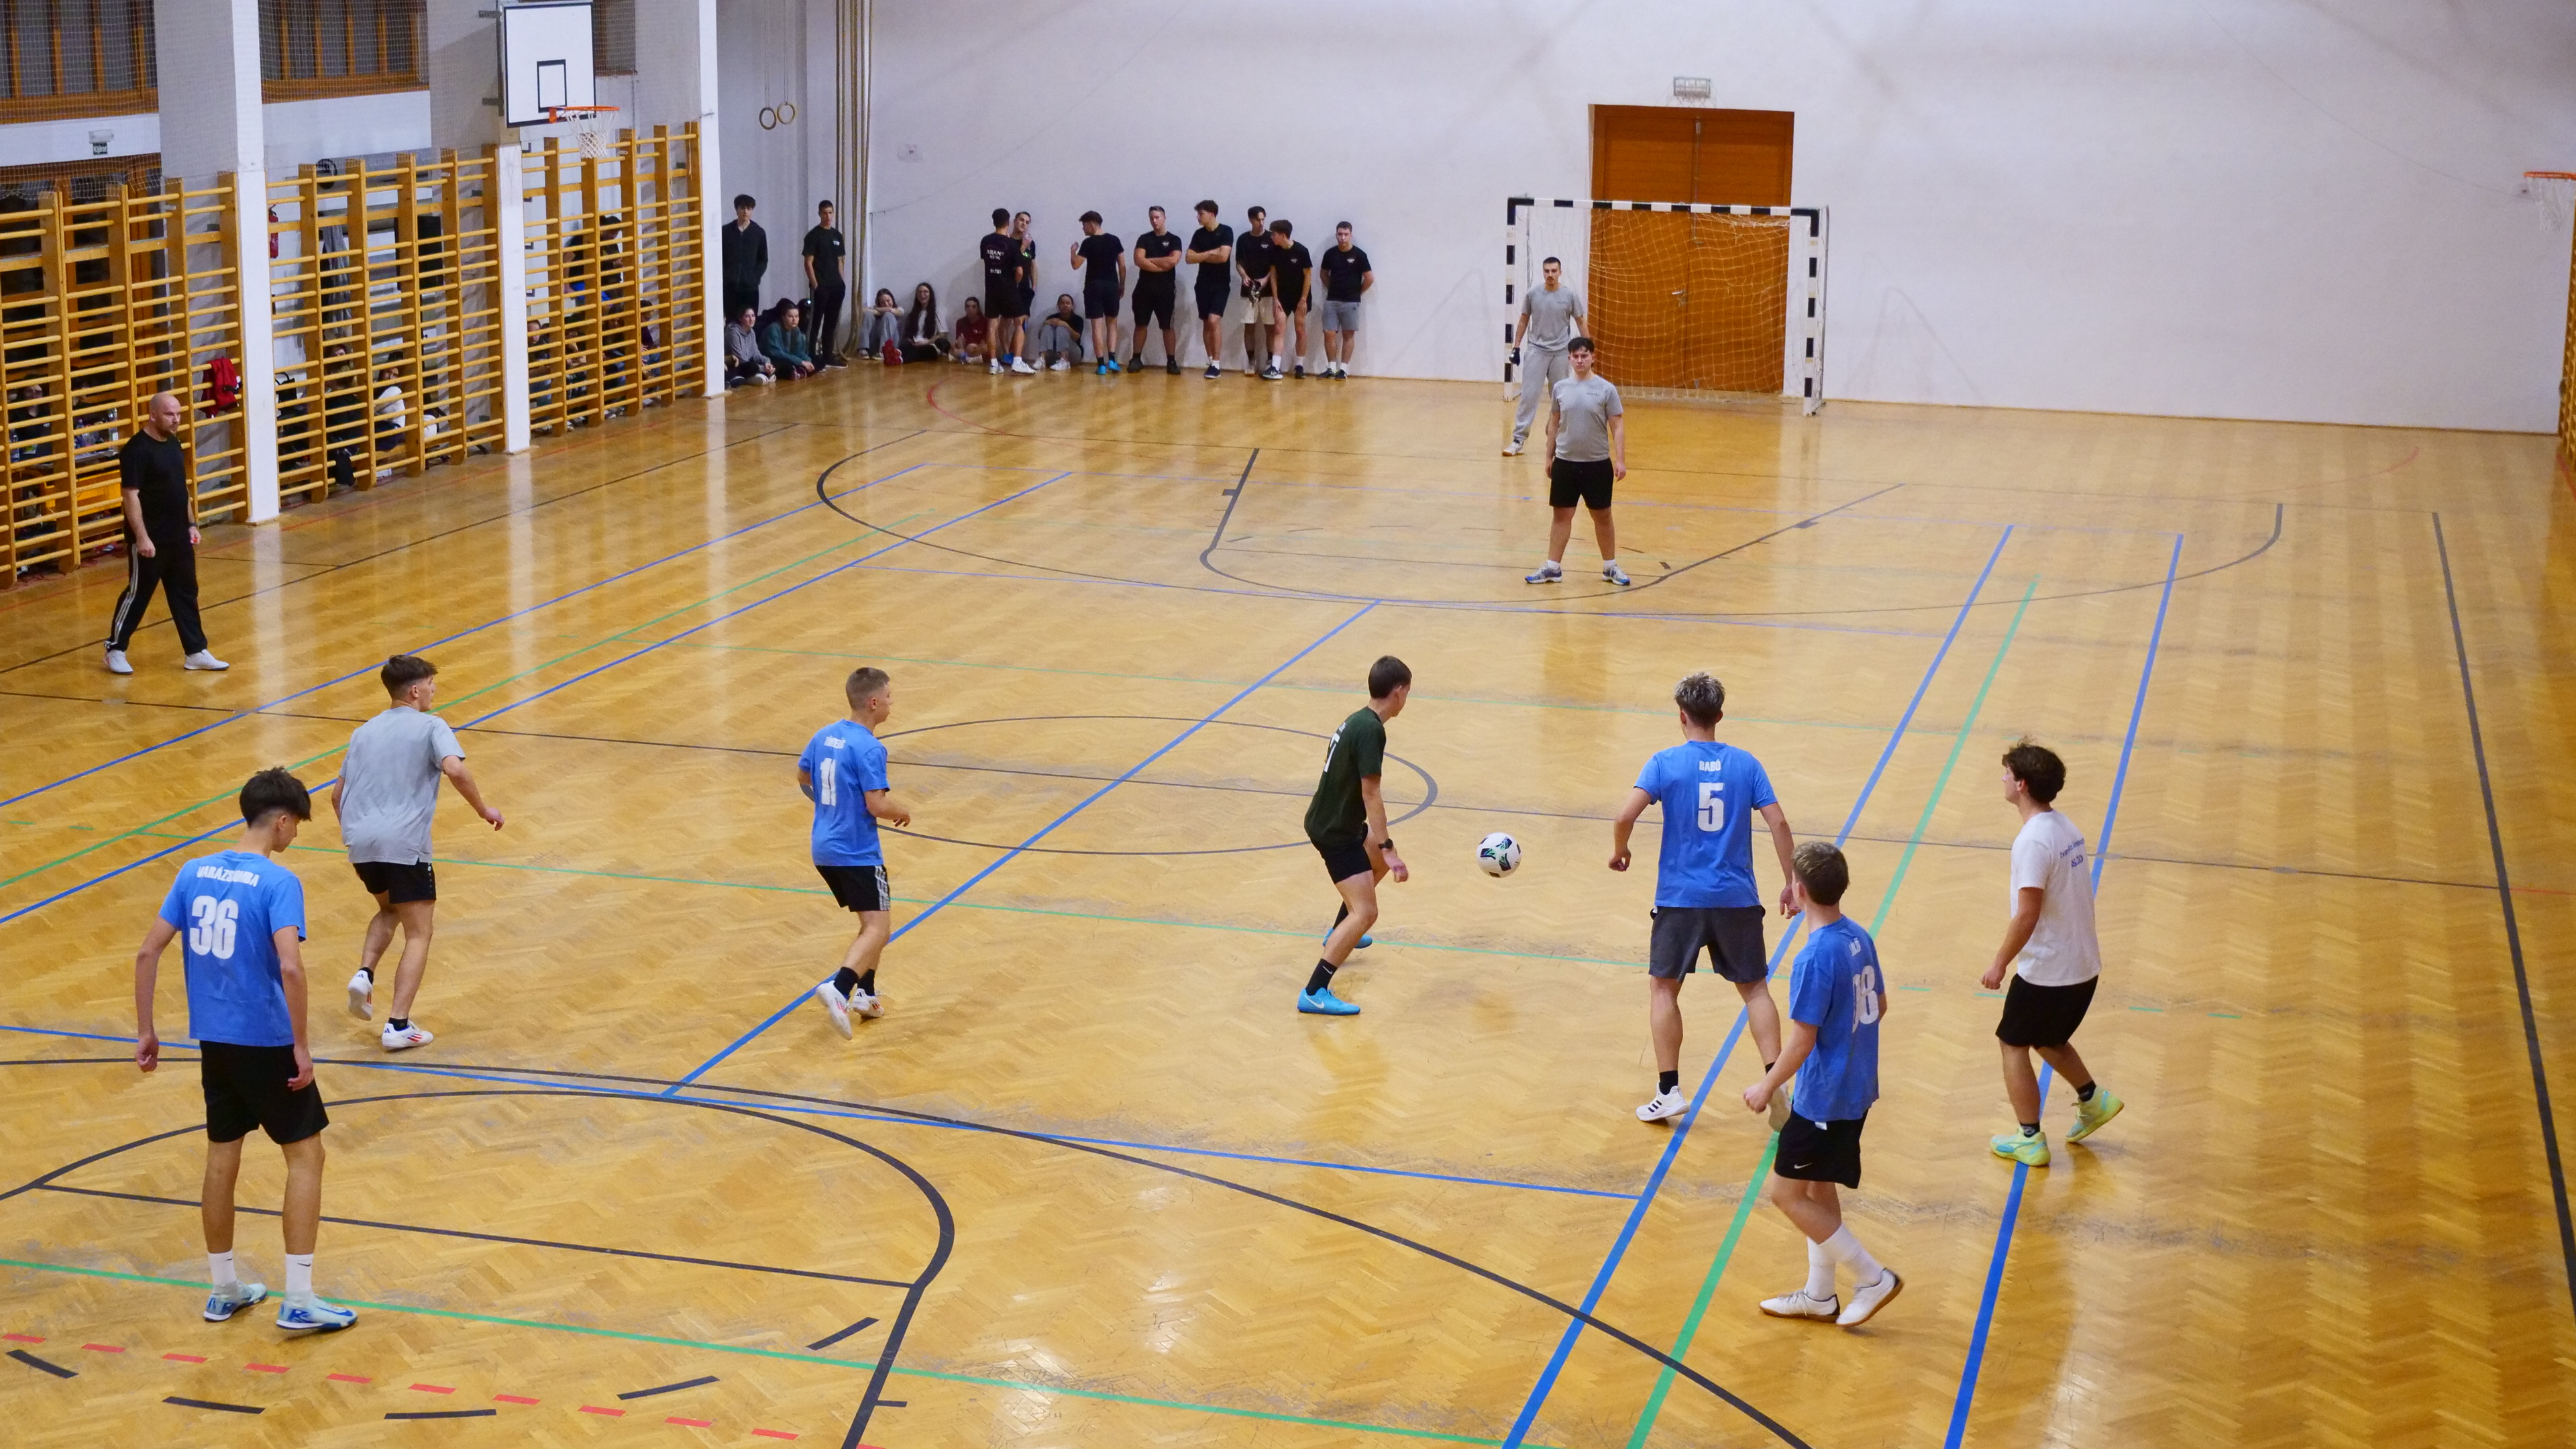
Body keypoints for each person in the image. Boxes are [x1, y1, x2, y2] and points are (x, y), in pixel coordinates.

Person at [133, 766, 358, 1333]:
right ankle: (299, 1298)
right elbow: (290, 966)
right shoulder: (279, 882)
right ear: (280, 821)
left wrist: (146, 1030)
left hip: (215, 1041)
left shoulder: (192, 871)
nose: (296, 835)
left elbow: (147, 952)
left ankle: (224, 1288)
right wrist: (301, 1045)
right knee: (306, 1157)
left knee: (221, 1155)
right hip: (267, 1039)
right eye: (296, 825)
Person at [1611, 670, 1799, 1123]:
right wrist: (1791, 882)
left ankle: (1669, 1091)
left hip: (1680, 900)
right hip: (1737, 898)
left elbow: (1624, 816)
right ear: (1719, 715)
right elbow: (1779, 823)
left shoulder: (1664, 763)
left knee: (1663, 988)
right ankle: (1775, 1084)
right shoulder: (1746, 765)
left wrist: (1621, 850)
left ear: (1682, 716)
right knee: (1755, 990)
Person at [1742, 841, 1902, 1328]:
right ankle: (1819, 1295)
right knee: (1817, 1187)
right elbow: (1880, 1005)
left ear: (1799, 890)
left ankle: (1872, 1277)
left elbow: (1802, 1040)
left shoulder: (1814, 958)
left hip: (1823, 1099)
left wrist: (1766, 1087)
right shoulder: (1858, 936)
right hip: (1856, 1088)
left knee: (1786, 1195)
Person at [336, 654, 503, 1051]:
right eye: (430, 684)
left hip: (360, 842)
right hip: (404, 844)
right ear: (415, 690)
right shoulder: (432, 726)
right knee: (419, 933)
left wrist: (358, 834)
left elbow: (337, 794)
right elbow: (455, 769)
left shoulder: (363, 732)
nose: (434, 690)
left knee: (389, 910)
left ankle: (365, 973)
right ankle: (397, 1025)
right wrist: (484, 810)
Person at [1983, 740, 2123, 1167]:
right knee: (2046, 1037)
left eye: (2008, 773)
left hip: (2050, 971)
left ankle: (2029, 1137)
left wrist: (1999, 963)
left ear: (2022, 785)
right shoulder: (2065, 827)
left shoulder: (2033, 842)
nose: (2003, 778)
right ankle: (2093, 1100)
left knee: (2012, 1042)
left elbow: (2028, 914)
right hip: (2082, 965)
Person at [1297, 656, 1412, 1017]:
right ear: (1398, 692)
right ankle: (1314, 991)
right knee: (1366, 912)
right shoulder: (1372, 731)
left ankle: (1339, 933)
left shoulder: (1358, 720)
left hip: (1336, 820)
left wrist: (1382, 851)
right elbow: (1371, 793)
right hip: (1335, 831)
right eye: (1407, 692)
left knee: (1375, 861)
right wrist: (1388, 846)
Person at [803, 667, 915, 1036]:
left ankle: (866, 995)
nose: (892, 703)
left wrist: (831, 808)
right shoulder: (869, 747)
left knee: (871, 923)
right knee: (879, 929)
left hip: (823, 847)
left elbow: (803, 777)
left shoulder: (824, 735)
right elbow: (877, 805)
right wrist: (902, 811)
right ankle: (840, 988)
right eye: (889, 697)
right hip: (856, 851)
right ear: (873, 702)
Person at [105, 390, 223, 676]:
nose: (176, 419)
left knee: (186, 592)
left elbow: (181, 488)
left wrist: (191, 524)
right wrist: (142, 537)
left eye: (178, 414)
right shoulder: (136, 450)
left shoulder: (174, 443)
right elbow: (130, 495)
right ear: (153, 415)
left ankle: (195, 651)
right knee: (138, 594)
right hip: (151, 538)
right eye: (170, 414)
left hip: (178, 536)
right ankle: (115, 649)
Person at [1526, 337, 1629, 587]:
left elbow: (1617, 426)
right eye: (1575, 356)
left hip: (1597, 464)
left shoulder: (1606, 389)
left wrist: (1620, 460)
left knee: (1602, 516)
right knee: (1562, 515)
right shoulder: (1560, 388)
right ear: (1569, 359)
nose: (1580, 360)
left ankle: (1610, 567)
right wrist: (1549, 456)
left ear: (1593, 358)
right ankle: (1553, 567)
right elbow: (1554, 424)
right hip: (1565, 463)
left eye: (1584, 356)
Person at [1507, 256, 1585, 456]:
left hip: (1561, 353)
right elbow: (1524, 321)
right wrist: (1516, 346)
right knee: (1529, 396)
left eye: (1554, 271)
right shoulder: (1533, 294)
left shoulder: (1569, 295)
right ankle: (1518, 439)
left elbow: (1580, 321)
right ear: (1543, 272)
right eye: (1547, 271)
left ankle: (1556, 438)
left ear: (1560, 272)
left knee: (1560, 398)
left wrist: (1588, 348)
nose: (1550, 275)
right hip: (1537, 351)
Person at [1126, 205, 1184, 374]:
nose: (1154, 221)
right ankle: (1136, 359)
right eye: (1151, 218)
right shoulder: (1144, 239)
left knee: (1168, 326)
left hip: (1166, 291)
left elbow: (1172, 262)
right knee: (1141, 324)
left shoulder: (1174, 240)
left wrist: (1151, 260)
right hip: (1144, 290)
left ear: (1164, 218)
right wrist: (1161, 265)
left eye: (1157, 217)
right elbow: (1139, 260)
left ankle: (1171, 361)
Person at [978, 208, 1033, 375]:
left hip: (991, 288)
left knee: (992, 325)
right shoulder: (1011, 244)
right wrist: (1015, 283)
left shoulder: (985, 241)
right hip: (1009, 287)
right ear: (1009, 222)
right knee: (1019, 323)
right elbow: (1020, 271)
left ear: (993, 221)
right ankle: (1017, 361)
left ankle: (994, 364)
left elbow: (987, 261)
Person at [1073, 210, 1126, 375]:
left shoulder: (1088, 243)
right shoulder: (1115, 240)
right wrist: (1122, 285)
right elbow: (1122, 265)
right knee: (1112, 324)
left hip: (1093, 286)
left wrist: (1072, 251)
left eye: (1084, 225)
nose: (1083, 229)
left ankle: (1101, 365)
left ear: (1092, 224)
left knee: (1097, 326)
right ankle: (1113, 360)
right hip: (1111, 285)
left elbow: (1076, 265)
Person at [1185, 201, 1234, 380]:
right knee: (1207, 322)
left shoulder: (1226, 231)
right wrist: (1209, 253)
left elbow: (1223, 257)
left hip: (1221, 284)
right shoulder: (1199, 234)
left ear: (1212, 214)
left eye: (1201, 214)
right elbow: (1189, 258)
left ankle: (1217, 364)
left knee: (1214, 321)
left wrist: (1201, 256)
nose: (1198, 217)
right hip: (1202, 284)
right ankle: (1211, 362)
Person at [1317, 221, 1372, 378]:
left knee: (1348, 335)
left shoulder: (1360, 255)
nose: (1343, 237)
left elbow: (1369, 278)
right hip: (1332, 301)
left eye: (1346, 234)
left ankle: (1343, 370)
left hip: (1351, 302)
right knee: (1329, 333)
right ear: (1336, 235)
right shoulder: (1330, 254)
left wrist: (1357, 293)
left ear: (1351, 235)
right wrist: (1332, 287)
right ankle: (1331, 368)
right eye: (1340, 234)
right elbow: (1323, 274)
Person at [802, 201, 850, 367]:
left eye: (830, 213)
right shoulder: (813, 236)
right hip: (821, 286)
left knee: (831, 322)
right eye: (824, 213)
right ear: (819, 214)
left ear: (833, 214)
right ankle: (811, 356)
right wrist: (816, 285)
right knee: (815, 322)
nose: (828, 216)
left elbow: (840, 261)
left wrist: (841, 282)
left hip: (836, 286)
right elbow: (808, 262)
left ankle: (828, 356)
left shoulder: (837, 236)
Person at [1236, 204, 1280, 380]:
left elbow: (1275, 265)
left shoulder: (1271, 238)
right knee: (1249, 326)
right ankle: (1251, 361)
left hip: (1268, 291)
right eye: (1258, 220)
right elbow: (1239, 263)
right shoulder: (1243, 240)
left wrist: (1266, 279)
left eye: (1263, 219)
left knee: (1270, 327)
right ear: (1250, 220)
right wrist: (1244, 276)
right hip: (1249, 291)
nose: (1261, 223)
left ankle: (1270, 361)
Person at [1268, 219, 1314, 378]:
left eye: (1274, 234)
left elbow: (1308, 276)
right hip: (1282, 297)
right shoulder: (1274, 251)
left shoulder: (1301, 251)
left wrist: (1303, 299)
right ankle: (1275, 367)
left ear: (1283, 235)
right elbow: (1273, 276)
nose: (1272, 237)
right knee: (1278, 329)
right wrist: (1275, 299)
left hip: (1300, 297)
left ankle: (1300, 365)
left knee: (1300, 330)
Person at [720, 195, 767, 321]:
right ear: (737, 210)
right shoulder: (726, 232)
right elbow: (721, 257)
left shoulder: (759, 233)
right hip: (730, 287)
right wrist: (726, 275)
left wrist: (754, 278)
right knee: (731, 320)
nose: (745, 212)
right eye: (742, 208)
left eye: (749, 208)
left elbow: (763, 260)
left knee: (750, 320)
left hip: (750, 288)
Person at [762, 300, 818, 379]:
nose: (794, 320)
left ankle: (799, 372)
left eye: (796, 316)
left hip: (790, 358)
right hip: (774, 359)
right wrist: (801, 362)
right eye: (790, 317)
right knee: (786, 365)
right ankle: (799, 372)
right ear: (783, 317)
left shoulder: (796, 329)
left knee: (817, 360)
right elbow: (778, 354)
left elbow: (799, 353)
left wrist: (808, 361)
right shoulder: (774, 329)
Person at [1032, 294, 1087, 371]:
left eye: (1068, 303)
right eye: (1062, 303)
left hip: (1073, 354)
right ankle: (1042, 359)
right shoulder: (1052, 318)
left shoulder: (1078, 319)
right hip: (1053, 355)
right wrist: (1046, 323)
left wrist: (1065, 325)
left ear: (1072, 306)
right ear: (1058, 306)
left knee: (1061, 328)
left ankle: (1064, 360)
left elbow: (1076, 337)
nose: (1065, 305)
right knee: (1047, 327)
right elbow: (1040, 336)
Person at [724, 305, 775, 386]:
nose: (751, 319)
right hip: (735, 365)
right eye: (747, 316)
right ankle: (752, 377)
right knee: (752, 367)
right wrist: (762, 368)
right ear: (740, 318)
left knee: (770, 361)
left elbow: (756, 354)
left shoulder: (751, 332)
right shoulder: (733, 332)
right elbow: (741, 358)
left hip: (748, 364)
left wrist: (766, 363)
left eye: (753, 316)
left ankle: (758, 375)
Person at [900, 282, 949, 362]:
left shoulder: (938, 312)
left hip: (930, 345)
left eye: (926, 292)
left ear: (930, 294)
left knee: (923, 351)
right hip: (914, 344)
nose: (922, 294)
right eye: (920, 292)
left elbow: (943, 334)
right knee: (903, 347)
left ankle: (901, 360)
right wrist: (911, 341)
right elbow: (907, 333)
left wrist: (927, 342)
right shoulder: (913, 314)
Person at [860, 288, 903, 361]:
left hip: (891, 346)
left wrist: (879, 311)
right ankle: (863, 350)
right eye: (883, 302)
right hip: (874, 344)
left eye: (888, 301)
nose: (886, 304)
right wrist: (878, 311)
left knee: (888, 315)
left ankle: (883, 352)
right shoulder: (875, 308)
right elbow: (861, 310)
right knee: (868, 314)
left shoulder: (899, 309)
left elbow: (896, 312)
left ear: (892, 299)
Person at [952, 297, 991, 366]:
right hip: (965, 348)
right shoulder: (960, 322)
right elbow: (959, 338)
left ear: (978, 309)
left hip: (977, 348)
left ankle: (967, 358)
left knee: (986, 348)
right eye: (968, 307)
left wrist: (975, 346)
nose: (970, 309)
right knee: (953, 345)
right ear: (965, 308)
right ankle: (967, 358)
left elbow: (984, 342)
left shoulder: (985, 322)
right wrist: (962, 349)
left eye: (974, 307)